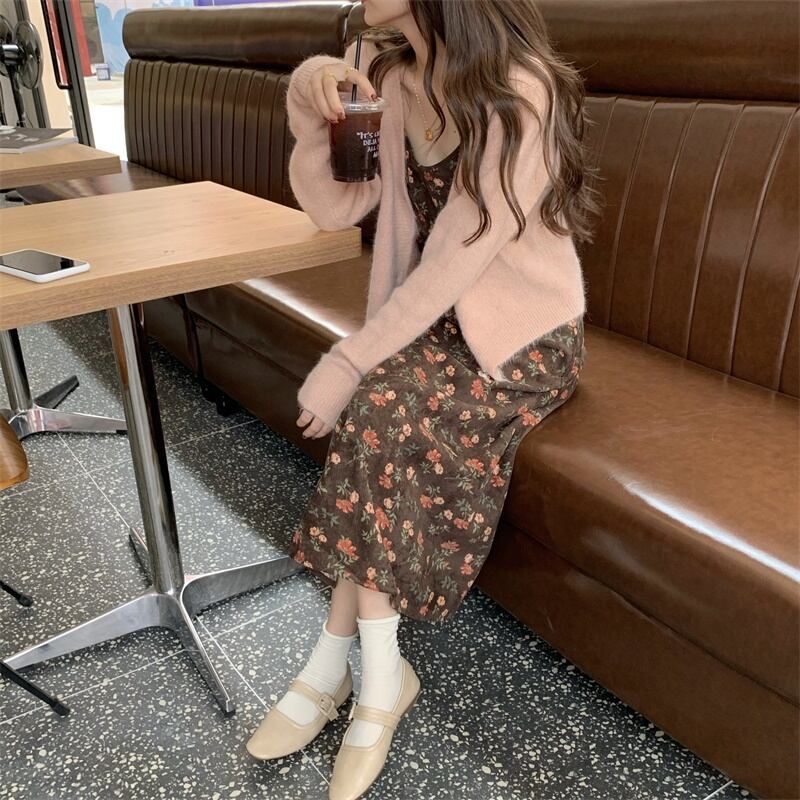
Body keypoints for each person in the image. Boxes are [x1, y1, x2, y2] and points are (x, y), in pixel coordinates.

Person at [246, 1, 601, 797]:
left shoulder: (522, 90)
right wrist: (311, 96)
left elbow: (455, 259)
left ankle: (354, 677)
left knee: (377, 405)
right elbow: (336, 205)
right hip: (431, 326)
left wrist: (350, 359)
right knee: (380, 408)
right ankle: (366, 674)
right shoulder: (386, 74)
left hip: (521, 337)